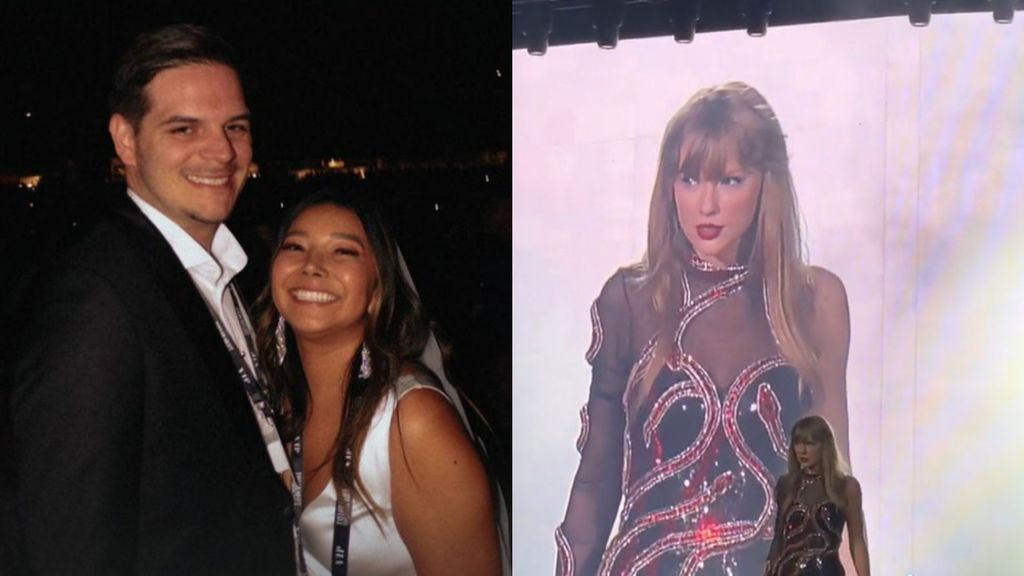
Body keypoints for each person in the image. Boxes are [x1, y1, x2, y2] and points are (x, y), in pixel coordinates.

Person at [4, 25, 295, 575]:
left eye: (235, 126)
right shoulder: (95, 300)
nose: (222, 151)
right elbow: (73, 551)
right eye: (184, 128)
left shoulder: (237, 273)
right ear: (126, 140)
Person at [555, 81, 851, 576]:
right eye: (689, 179)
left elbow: (832, 487)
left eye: (730, 180)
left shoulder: (815, 301)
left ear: (765, 184)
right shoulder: (631, 299)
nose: (706, 204)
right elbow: (595, 480)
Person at [256, 188, 504, 576]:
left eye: (343, 251)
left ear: (377, 291)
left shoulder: (412, 423)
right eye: (294, 247)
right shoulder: (277, 399)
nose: (312, 265)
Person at [765, 415, 869, 575]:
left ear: (825, 446)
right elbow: (778, 539)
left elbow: (857, 541)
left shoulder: (846, 487)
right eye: (797, 443)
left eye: (809, 443)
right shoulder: (787, 484)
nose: (802, 450)